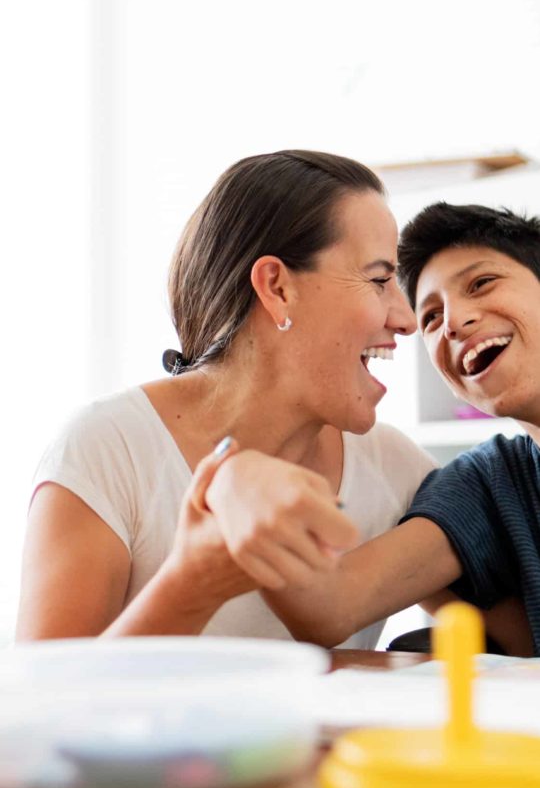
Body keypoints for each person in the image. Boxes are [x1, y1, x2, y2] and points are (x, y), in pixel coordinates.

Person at [17, 150, 434, 648]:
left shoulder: (396, 469)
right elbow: (43, 708)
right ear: (277, 287)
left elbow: (503, 635)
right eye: (379, 280)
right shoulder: (107, 449)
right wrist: (194, 582)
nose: (406, 319)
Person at [203, 202, 540, 657]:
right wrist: (231, 483)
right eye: (432, 318)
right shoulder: (486, 485)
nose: (455, 323)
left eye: (481, 284)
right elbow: (329, 606)